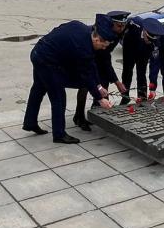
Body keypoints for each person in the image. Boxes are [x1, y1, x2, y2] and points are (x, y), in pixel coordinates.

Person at [22, 14, 115, 144]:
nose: (104, 48)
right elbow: (86, 75)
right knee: (58, 96)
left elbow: (91, 66)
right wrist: (100, 99)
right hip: (47, 61)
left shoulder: (85, 30)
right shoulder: (83, 47)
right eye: (104, 45)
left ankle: (30, 122)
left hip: (39, 51)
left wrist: (99, 86)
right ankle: (59, 134)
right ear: (97, 39)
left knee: (38, 89)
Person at [73, 10, 129, 131]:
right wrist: (117, 82)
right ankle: (79, 116)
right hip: (87, 58)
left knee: (104, 84)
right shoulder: (102, 33)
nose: (122, 29)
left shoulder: (116, 34)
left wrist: (114, 81)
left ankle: (97, 110)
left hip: (100, 58)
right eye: (119, 25)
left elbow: (105, 57)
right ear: (111, 23)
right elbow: (104, 58)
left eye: (124, 26)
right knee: (84, 86)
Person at [120, 16, 164, 104]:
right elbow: (121, 31)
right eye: (148, 39)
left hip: (144, 52)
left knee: (141, 73)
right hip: (129, 48)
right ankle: (125, 96)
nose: (148, 41)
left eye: (151, 40)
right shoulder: (134, 23)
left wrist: (153, 87)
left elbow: (155, 65)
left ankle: (142, 97)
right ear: (144, 31)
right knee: (127, 72)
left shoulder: (156, 41)